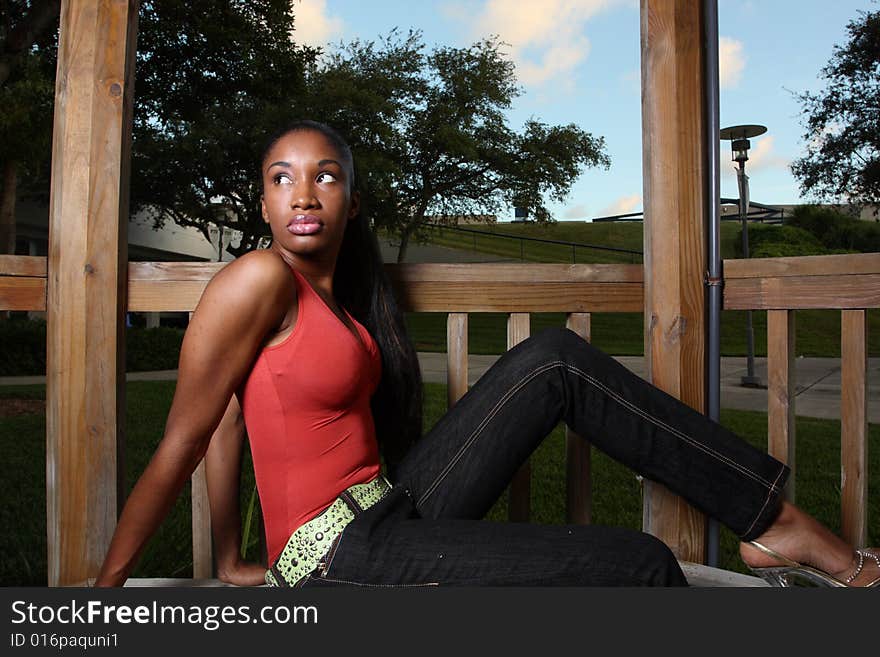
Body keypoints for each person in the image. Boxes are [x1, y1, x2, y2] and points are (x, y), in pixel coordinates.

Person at [95, 120, 878, 588]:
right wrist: (101, 599)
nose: (304, 194)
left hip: (387, 507)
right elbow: (189, 438)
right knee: (642, 564)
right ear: (263, 200)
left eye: (325, 176)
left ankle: (773, 520)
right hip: (339, 552)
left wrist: (237, 557)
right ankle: (801, 541)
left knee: (552, 359)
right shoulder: (259, 278)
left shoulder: (338, 298)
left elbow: (237, 414)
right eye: (283, 179)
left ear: (351, 201)